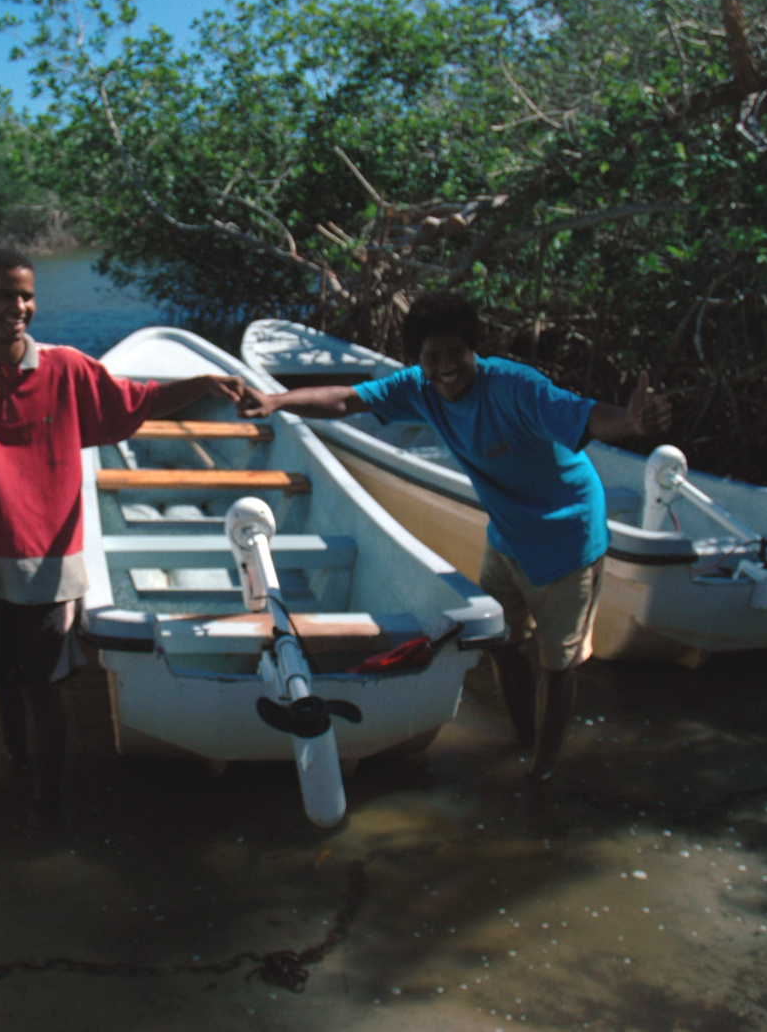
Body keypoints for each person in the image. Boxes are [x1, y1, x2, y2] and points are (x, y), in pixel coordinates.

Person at [237, 291, 671, 784]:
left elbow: (588, 415)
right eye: (432, 357)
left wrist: (633, 421)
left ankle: (544, 772)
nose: (446, 369)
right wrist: (275, 400)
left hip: (568, 537)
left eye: (455, 354)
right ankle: (524, 737)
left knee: (559, 663)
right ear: (418, 360)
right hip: (507, 536)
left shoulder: (514, 386)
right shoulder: (419, 387)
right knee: (503, 642)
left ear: (473, 350)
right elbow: (347, 398)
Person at [0, 247, 245, 811]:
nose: (20, 306)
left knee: (44, 688)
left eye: (28, 295)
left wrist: (202, 383)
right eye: (7, 295)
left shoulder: (66, 368)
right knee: (1, 682)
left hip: (49, 567)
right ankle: (19, 764)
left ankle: (46, 801)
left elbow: (141, 400)